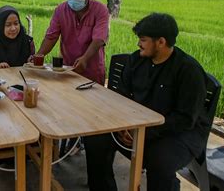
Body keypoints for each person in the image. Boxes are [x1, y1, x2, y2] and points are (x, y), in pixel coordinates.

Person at [83, 13, 209, 191]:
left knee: (160, 161)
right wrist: (123, 125)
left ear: (161, 42)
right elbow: (121, 97)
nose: (138, 44)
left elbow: (185, 119)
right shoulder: (135, 60)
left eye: (143, 39)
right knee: (95, 138)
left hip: (178, 133)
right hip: (137, 125)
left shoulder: (189, 71)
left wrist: (143, 131)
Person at [34, 0, 109, 85]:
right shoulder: (60, 10)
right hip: (66, 68)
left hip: (92, 70)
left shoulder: (100, 10)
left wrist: (85, 58)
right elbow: (51, 37)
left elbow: (99, 39)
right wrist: (39, 56)